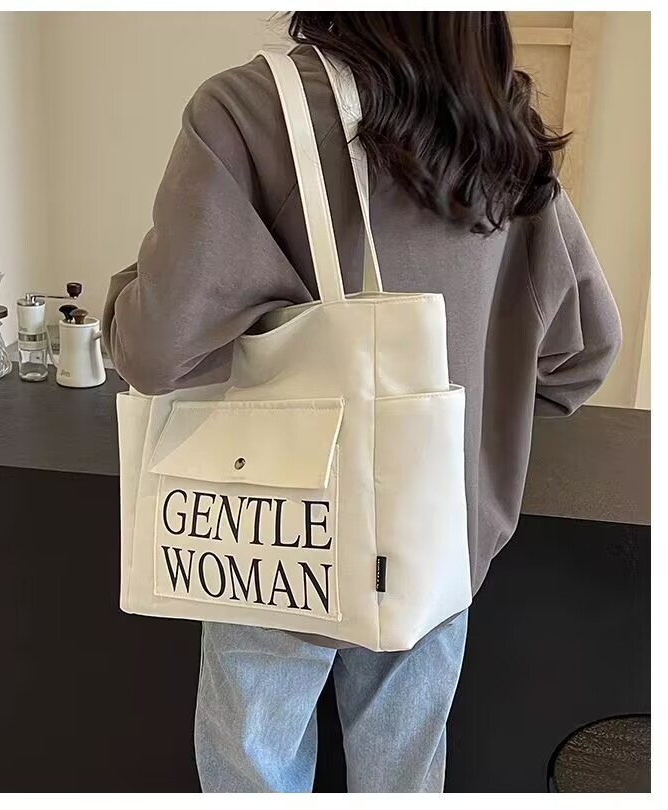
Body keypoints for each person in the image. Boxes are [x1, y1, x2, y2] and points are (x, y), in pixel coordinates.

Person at [102, 11, 622, 793]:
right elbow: (583, 355)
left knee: (254, 775)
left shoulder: (248, 109)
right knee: (404, 781)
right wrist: (479, 407)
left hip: (273, 534)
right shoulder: (498, 126)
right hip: (437, 532)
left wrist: (123, 300)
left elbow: (157, 350)